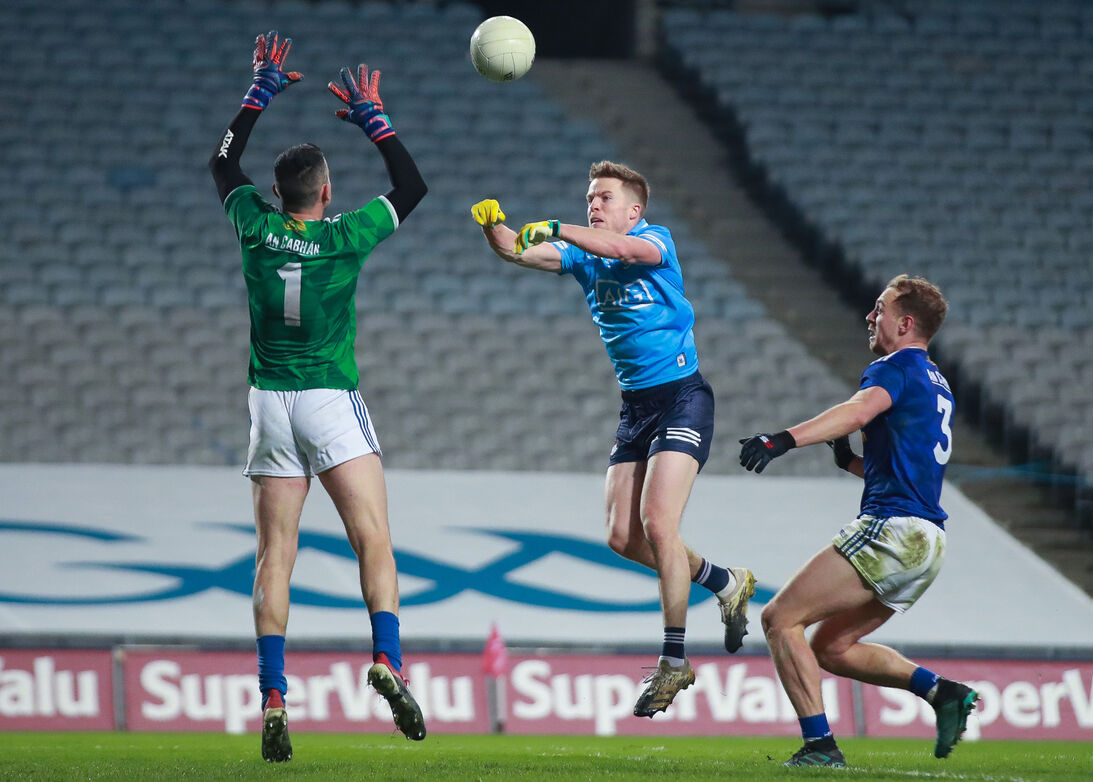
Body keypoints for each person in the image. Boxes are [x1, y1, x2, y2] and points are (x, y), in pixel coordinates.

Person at [208, 31, 428, 762]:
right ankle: (388, 661)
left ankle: (274, 695)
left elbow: (222, 162)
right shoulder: (345, 236)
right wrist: (375, 122)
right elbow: (412, 188)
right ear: (327, 193)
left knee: (275, 554)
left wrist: (257, 94)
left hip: (269, 405)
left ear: (276, 194)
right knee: (373, 539)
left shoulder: (254, 225)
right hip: (330, 398)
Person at [471, 163, 756, 718]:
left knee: (658, 524)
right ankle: (725, 581)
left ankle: (673, 661)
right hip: (635, 408)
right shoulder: (583, 255)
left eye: (604, 198)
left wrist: (560, 227)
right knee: (622, 537)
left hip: (682, 397)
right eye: (589, 199)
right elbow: (516, 250)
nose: (593, 205)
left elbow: (625, 251)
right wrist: (492, 226)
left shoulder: (656, 241)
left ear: (634, 210)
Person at [738, 275, 977, 767]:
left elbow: (857, 411)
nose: (871, 316)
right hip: (929, 541)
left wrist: (781, 440)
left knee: (779, 619)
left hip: (894, 530)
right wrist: (848, 462)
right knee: (833, 647)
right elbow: (905, 469)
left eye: (880, 308)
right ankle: (942, 692)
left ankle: (820, 747)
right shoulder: (936, 381)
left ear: (905, 323)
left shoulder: (897, 367)